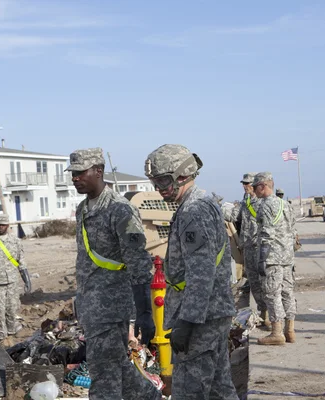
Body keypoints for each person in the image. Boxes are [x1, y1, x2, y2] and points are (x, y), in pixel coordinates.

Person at [144, 144, 239, 400]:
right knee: (220, 389)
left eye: (163, 180)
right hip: (211, 314)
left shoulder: (194, 210)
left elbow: (201, 272)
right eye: (154, 182)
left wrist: (187, 321)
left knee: (189, 392)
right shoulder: (196, 204)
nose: (159, 188)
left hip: (201, 319)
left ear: (183, 175)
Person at [67, 147, 160, 400]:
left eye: (80, 172)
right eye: (72, 173)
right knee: (115, 364)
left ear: (98, 171)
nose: (75, 178)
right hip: (91, 304)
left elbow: (139, 263)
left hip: (112, 305)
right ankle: (149, 397)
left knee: (103, 373)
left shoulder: (120, 210)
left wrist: (143, 313)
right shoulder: (83, 209)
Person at [252, 172, 297, 345]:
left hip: (273, 257)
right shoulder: (285, 204)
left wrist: (262, 259)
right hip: (287, 256)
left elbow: (266, 234)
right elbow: (292, 230)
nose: (254, 191)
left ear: (263, 186)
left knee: (272, 294)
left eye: (256, 187)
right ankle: (290, 330)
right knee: (287, 292)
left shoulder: (265, 205)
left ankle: (277, 332)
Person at [226, 173, 271, 330]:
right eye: (243, 184)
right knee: (253, 282)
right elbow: (234, 216)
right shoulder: (246, 202)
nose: (245, 186)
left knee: (264, 282)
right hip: (248, 247)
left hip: (259, 247)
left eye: (248, 184)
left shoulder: (261, 202)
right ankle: (263, 313)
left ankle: (270, 315)